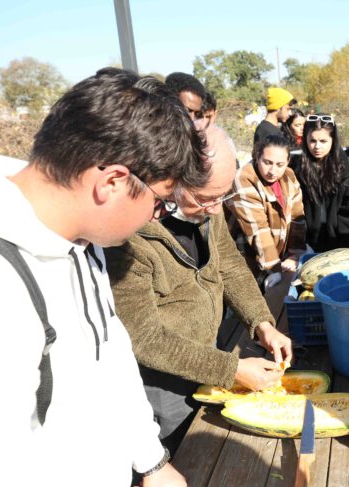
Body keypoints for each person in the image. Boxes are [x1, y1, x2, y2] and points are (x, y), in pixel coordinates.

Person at [0, 68, 209, 486]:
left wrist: (151, 461)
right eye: (160, 203)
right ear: (113, 182)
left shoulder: (84, 238)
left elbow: (109, 348)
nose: (157, 218)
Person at [105, 125, 293, 455]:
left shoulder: (207, 210)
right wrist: (232, 369)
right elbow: (145, 340)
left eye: (224, 196)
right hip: (161, 383)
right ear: (170, 179)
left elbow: (230, 266)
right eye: (205, 198)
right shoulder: (127, 239)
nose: (217, 209)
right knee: (180, 454)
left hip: (210, 352)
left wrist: (262, 323)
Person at [228, 135, 306, 278]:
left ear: (288, 161)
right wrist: (274, 268)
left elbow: (297, 218)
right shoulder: (243, 178)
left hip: (279, 257)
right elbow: (258, 229)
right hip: (247, 259)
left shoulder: (289, 176)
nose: (273, 171)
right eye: (267, 162)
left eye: (279, 164)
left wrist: (295, 255)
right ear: (257, 157)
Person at [293, 114, 349, 251]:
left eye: (323, 141)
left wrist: (347, 244)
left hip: (339, 238)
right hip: (307, 240)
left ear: (333, 140)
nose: (317, 146)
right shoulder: (297, 167)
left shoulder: (346, 167)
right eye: (312, 141)